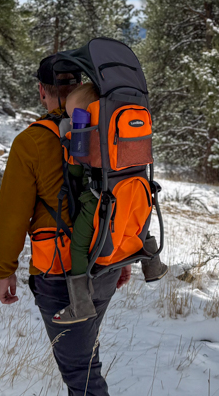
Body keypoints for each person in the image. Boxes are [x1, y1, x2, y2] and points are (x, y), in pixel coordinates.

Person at [0, 55, 134, 396]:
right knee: (81, 352)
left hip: (59, 275)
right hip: (105, 263)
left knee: (81, 370)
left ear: (42, 91)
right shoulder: (105, 130)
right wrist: (121, 254)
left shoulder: (32, 142)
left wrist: (5, 269)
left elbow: (12, 213)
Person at [53, 83, 169, 324]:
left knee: (79, 246)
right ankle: (153, 267)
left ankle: (81, 304)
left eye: (75, 115)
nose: (72, 119)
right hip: (136, 191)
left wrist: (70, 145)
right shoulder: (118, 130)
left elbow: (74, 175)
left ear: (90, 114)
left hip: (99, 201)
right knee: (139, 225)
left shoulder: (86, 137)